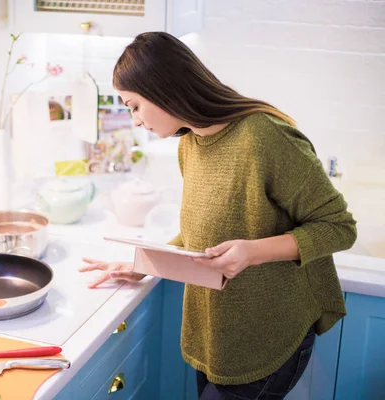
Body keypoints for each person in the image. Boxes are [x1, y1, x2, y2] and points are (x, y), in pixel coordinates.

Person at [78, 32, 357, 400]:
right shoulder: (190, 144)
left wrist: (252, 252)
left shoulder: (263, 139)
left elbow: (339, 228)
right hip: (217, 338)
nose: (134, 120)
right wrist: (144, 263)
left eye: (134, 106)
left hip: (267, 337)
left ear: (164, 91)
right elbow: (201, 235)